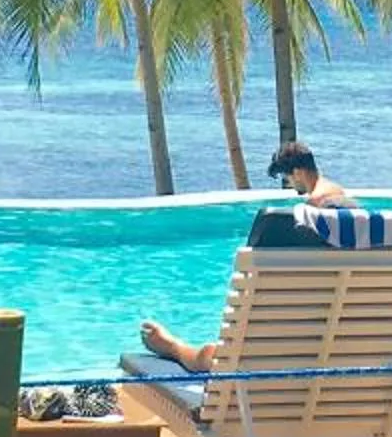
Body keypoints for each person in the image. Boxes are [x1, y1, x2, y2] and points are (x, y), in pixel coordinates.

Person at [135, 142, 354, 373]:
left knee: (207, 356)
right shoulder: (349, 214)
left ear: (298, 172)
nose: (289, 185)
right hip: (335, 347)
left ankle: (171, 346)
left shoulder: (314, 211)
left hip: (276, 355)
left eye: (287, 178)